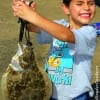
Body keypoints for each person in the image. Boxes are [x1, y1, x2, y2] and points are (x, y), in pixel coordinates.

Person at [12, 0, 97, 100]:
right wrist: (26, 14)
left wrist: (32, 16)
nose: (87, 7)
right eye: (79, 3)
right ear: (66, 8)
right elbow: (34, 28)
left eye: (91, 3)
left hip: (76, 96)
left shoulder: (90, 33)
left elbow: (66, 35)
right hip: (50, 93)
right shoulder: (59, 25)